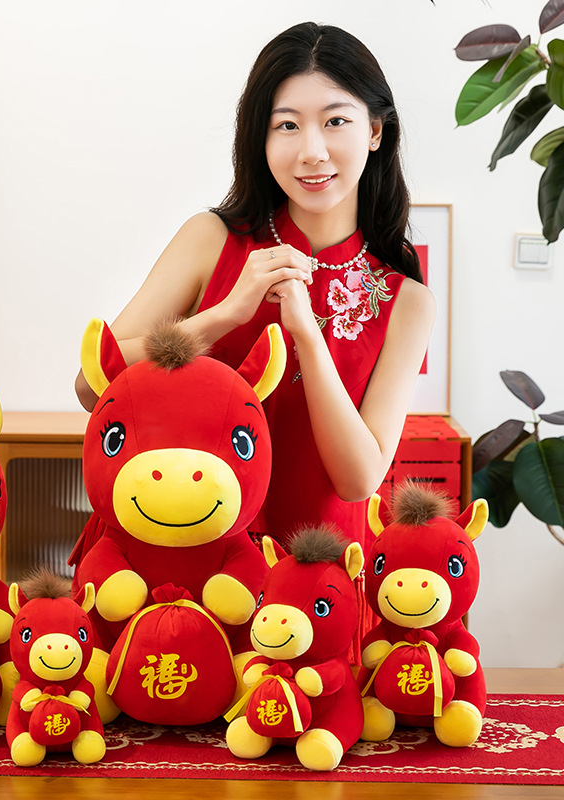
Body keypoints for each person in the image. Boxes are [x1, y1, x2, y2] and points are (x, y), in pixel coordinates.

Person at [74, 22, 434, 565]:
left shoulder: (406, 299)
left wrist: (307, 336)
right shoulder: (210, 239)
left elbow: (359, 479)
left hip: (311, 582)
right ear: (260, 139)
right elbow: (90, 385)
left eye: (335, 121)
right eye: (286, 125)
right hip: (180, 561)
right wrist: (224, 315)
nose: (312, 151)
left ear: (376, 131)